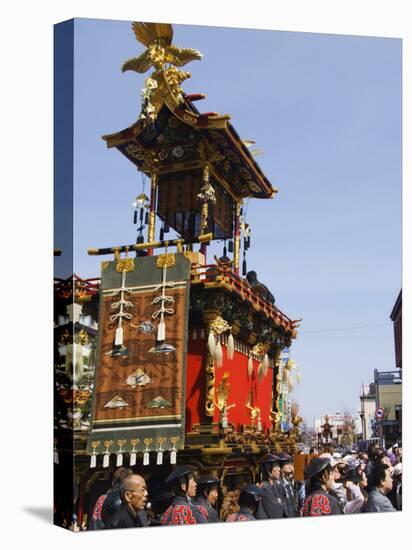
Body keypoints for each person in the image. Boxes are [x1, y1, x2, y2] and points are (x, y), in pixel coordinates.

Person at [256, 454, 287, 519]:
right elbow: (275, 510)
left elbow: (284, 503)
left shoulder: (276, 484)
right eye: (276, 467)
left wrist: (280, 502)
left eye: (279, 467)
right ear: (268, 471)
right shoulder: (264, 487)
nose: (280, 470)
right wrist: (280, 502)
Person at [277, 452, 299, 517]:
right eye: (287, 463)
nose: (290, 466)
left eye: (290, 463)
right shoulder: (279, 483)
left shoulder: (289, 481)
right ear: (281, 467)